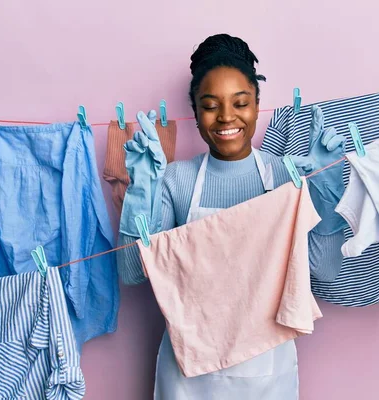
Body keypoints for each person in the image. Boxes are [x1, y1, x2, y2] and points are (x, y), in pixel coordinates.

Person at [117, 33, 347, 399]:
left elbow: (327, 272)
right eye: (210, 105)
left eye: (240, 102)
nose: (226, 117)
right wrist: (141, 191)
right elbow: (130, 273)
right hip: (187, 379)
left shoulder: (286, 175)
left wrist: (325, 195)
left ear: (257, 105)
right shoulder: (177, 180)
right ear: (194, 113)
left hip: (267, 374)